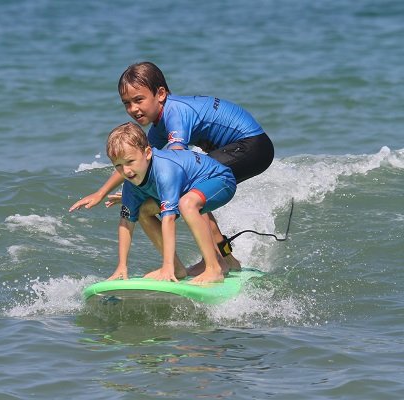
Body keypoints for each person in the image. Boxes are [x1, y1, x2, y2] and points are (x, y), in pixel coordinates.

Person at [70, 61, 274, 276]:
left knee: (191, 192)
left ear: (160, 94)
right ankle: (226, 260)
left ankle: (216, 264)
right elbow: (138, 159)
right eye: (126, 103)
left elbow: (177, 162)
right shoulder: (159, 126)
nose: (133, 109)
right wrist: (103, 192)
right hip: (235, 147)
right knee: (194, 196)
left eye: (138, 100)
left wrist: (148, 190)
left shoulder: (175, 114)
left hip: (251, 146)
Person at [105, 122, 236, 283]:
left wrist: (165, 266)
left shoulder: (164, 172)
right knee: (142, 211)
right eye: (118, 165)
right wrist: (122, 266)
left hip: (220, 179)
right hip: (187, 189)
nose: (125, 171)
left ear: (147, 153)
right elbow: (126, 221)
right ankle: (178, 268)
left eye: (130, 161)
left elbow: (169, 219)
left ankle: (214, 269)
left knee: (187, 204)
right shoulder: (131, 183)